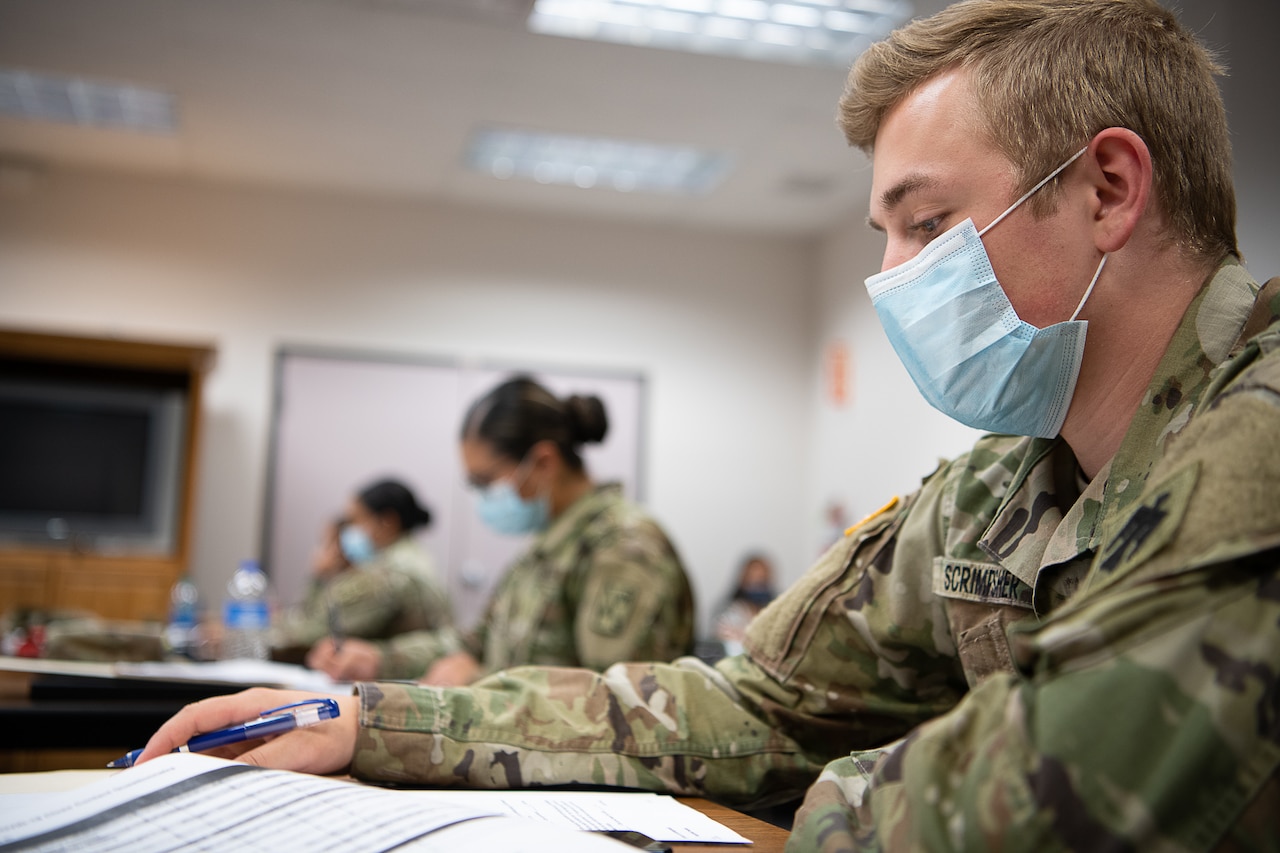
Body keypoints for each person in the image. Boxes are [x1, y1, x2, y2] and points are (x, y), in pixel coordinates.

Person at [137, 1, 1280, 848]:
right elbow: (750, 706)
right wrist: (369, 720)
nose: (888, 279)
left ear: (1107, 190)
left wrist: (844, 785)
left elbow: (1035, 805)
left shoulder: (1258, 436)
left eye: (925, 222)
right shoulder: (997, 491)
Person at [305, 375, 696, 683]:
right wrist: (380, 660)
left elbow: (617, 696)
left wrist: (479, 682)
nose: (482, 497)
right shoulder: (547, 547)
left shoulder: (623, 547)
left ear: (543, 462)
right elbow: (479, 641)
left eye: (484, 481)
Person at [271, 479, 452, 659]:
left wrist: (318, 578)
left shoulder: (388, 573)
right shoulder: (415, 558)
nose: (348, 530)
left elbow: (308, 635)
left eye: (355, 520)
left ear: (387, 521)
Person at [712, 552, 777, 656]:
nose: (758, 587)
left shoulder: (776, 612)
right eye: (754, 581)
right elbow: (724, 637)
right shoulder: (728, 611)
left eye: (762, 582)